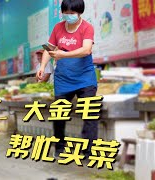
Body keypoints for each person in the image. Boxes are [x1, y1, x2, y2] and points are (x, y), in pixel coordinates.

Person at [36, 0, 97, 159]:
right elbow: (49, 49)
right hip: (63, 79)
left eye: (72, 13)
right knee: (58, 115)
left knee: (89, 114)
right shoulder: (58, 28)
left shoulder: (87, 27)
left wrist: (64, 54)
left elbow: (86, 50)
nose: (69, 16)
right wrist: (42, 67)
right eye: (66, 13)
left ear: (79, 12)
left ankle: (88, 152)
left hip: (85, 78)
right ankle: (59, 148)